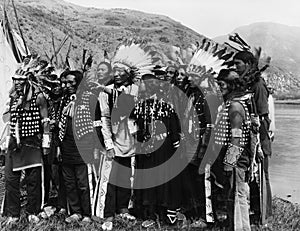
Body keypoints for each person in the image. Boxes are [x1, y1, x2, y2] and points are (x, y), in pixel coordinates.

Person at [3, 62, 50, 224]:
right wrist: (6, 138)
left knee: (33, 180)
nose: (17, 83)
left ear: (28, 80)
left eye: (20, 81)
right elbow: (8, 119)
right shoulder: (13, 96)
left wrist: (46, 142)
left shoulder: (39, 97)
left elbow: (45, 121)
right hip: (14, 143)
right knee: (10, 179)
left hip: (32, 142)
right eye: (14, 80)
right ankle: (13, 214)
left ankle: (33, 211)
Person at [233, 51, 272, 225]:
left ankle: (263, 217)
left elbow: (263, 116)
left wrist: (261, 145)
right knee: (251, 178)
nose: (235, 67)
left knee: (261, 176)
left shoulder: (258, 85)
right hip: (249, 138)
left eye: (238, 64)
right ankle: (255, 212)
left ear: (248, 64)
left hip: (258, 138)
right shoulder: (246, 84)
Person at [58, 70, 101, 223]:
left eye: (71, 82)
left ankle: (88, 214)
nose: (67, 85)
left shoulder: (90, 98)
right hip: (66, 147)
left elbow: (97, 125)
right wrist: (59, 146)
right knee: (70, 183)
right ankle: (75, 212)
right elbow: (60, 125)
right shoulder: (65, 99)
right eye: (66, 82)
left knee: (84, 183)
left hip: (84, 146)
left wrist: (96, 147)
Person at [212, 69, 252, 231]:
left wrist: (230, 162)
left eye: (221, 84)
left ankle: (240, 227)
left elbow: (236, 136)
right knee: (233, 194)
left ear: (231, 86)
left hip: (236, 158)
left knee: (237, 195)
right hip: (232, 157)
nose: (218, 88)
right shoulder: (229, 104)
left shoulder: (235, 106)